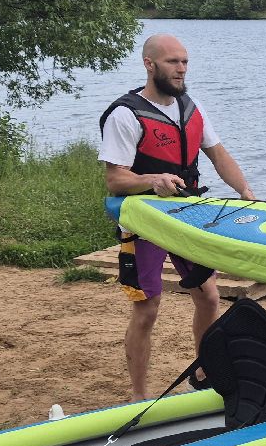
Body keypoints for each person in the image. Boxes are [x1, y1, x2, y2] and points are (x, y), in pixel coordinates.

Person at [98, 34, 256, 400]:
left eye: (184, 61)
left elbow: (218, 155)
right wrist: (152, 180)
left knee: (209, 297)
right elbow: (115, 178)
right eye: (172, 62)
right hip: (144, 222)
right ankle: (139, 396)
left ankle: (205, 371)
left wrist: (245, 192)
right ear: (149, 64)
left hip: (187, 216)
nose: (181, 69)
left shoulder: (191, 108)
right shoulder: (125, 114)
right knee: (147, 310)